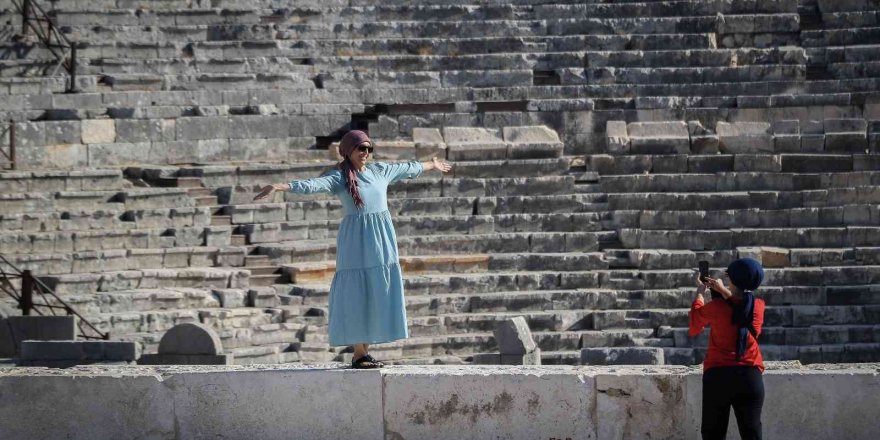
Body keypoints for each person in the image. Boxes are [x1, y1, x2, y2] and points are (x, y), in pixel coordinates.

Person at [254, 130, 452, 369]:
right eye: (361, 149)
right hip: (356, 239)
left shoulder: (380, 171)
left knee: (378, 287)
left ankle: (365, 351)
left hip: (381, 238)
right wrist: (279, 186)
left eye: (368, 149)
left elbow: (407, 168)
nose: (365, 153)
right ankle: (358, 353)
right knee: (357, 291)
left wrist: (432, 164)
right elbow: (313, 185)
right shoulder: (339, 177)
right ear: (349, 151)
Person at [689, 257, 766, 440]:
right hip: (750, 376)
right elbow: (741, 310)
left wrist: (701, 291)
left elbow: (695, 324)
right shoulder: (758, 307)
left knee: (713, 434)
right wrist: (723, 291)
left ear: (731, 279)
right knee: (752, 434)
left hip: (718, 376)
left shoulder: (716, 307)